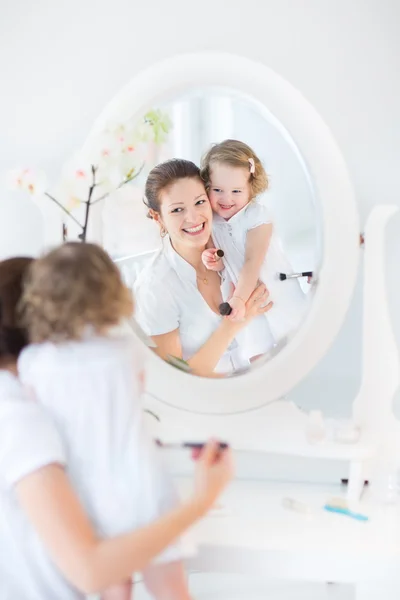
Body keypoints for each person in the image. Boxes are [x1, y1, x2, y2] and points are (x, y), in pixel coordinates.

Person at [0, 249, 232, 600]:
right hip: (140, 479)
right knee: (169, 587)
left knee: (116, 584)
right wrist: (201, 501)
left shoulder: (33, 371)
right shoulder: (124, 351)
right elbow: (90, 569)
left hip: (94, 495)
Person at [134, 159, 273, 377]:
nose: (193, 218)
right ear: (157, 217)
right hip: (209, 397)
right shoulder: (156, 288)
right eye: (177, 209)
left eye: (199, 202)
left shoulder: (229, 238)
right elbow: (177, 379)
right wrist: (233, 325)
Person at [200, 139, 307, 348]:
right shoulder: (213, 220)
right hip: (242, 297)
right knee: (257, 349)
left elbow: (252, 261)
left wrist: (239, 299)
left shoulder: (258, 217)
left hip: (274, 291)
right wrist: (212, 259)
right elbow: (222, 260)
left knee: (292, 340)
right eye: (218, 190)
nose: (226, 198)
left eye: (236, 191)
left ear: (251, 187)